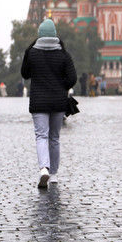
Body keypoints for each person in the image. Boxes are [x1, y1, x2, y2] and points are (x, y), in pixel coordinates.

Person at [21, 19, 77, 189]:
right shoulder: (63, 54)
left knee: (41, 136)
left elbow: (25, 73)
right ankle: (53, 174)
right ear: (54, 35)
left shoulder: (31, 53)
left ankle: (43, 168)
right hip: (58, 102)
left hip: (39, 101)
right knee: (54, 137)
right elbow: (72, 79)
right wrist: (61, 87)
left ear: (39, 34)